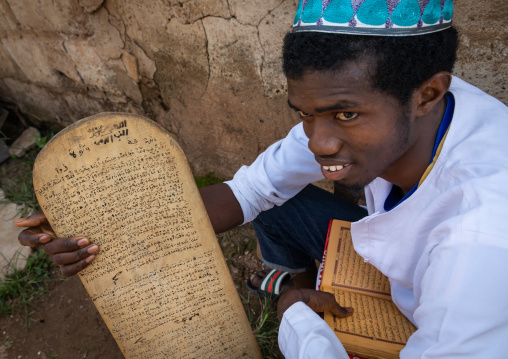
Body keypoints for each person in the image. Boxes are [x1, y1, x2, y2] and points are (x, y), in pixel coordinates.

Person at [15, 0, 508, 357]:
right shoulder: (409, 98)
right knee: (283, 201)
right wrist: (100, 228)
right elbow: (252, 189)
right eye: (305, 114)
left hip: (450, 308)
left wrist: (295, 321)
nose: (318, 142)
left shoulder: (478, 238)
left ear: (427, 95)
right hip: (410, 267)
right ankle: (297, 281)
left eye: (345, 115)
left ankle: (296, 296)